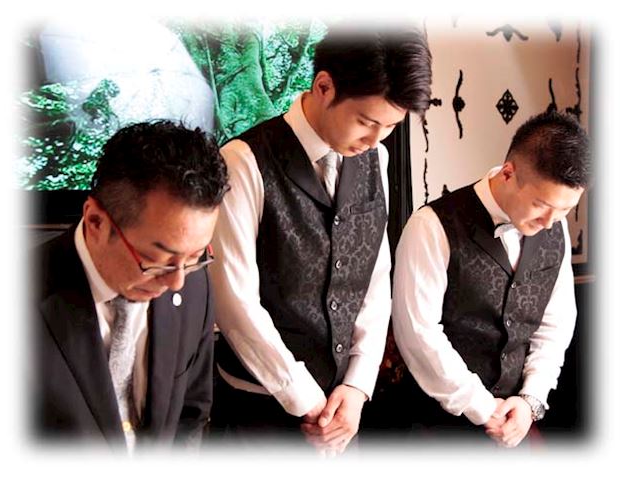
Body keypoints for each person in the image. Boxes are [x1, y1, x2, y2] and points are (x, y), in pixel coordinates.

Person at [208, 27, 432, 454]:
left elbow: (374, 277)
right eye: (367, 122)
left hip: (342, 410)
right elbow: (234, 301)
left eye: (390, 126)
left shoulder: (377, 157)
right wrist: (305, 400)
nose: (375, 139)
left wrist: (357, 386)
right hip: (259, 412)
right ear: (324, 86)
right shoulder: (243, 161)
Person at [392, 110, 591, 447]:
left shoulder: (553, 225)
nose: (550, 222)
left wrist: (530, 399)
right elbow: (418, 334)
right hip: (437, 426)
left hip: (517, 421)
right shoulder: (431, 226)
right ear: (508, 173)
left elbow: (556, 323)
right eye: (541, 204)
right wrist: (484, 408)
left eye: (564, 210)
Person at [31, 120, 229, 452]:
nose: (177, 282)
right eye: (156, 260)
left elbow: (191, 413)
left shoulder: (195, 285)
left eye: (196, 256)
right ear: (96, 221)